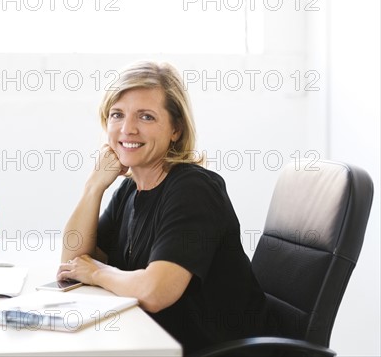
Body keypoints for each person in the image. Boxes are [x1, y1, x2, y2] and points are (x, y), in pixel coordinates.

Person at [58, 61, 265, 353]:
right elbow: (71, 263)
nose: (127, 129)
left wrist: (95, 272)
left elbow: (156, 292)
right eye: (117, 115)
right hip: (155, 342)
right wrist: (93, 188)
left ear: (176, 130)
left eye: (146, 117)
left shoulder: (194, 189)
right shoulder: (129, 189)